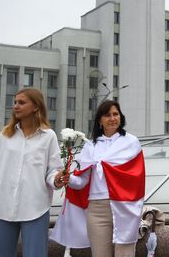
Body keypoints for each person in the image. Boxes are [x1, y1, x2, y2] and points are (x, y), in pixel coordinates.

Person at [0, 88, 63, 257]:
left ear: (35, 107)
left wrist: (56, 180)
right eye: (15, 102)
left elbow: (52, 171)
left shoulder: (49, 137)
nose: (16, 106)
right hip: (2, 207)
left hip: (36, 209)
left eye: (21, 102)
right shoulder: (5, 135)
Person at [51, 100, 146, 257]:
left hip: (125, 207)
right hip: (96, 209)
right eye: (107, 115)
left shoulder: (131, 142)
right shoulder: (90, 146)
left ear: (121, 118)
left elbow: (136, 177)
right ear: (99, 120)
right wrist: (69, 179)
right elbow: (82, 181)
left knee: (125, 254)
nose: (112, 118)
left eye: (116, 114)